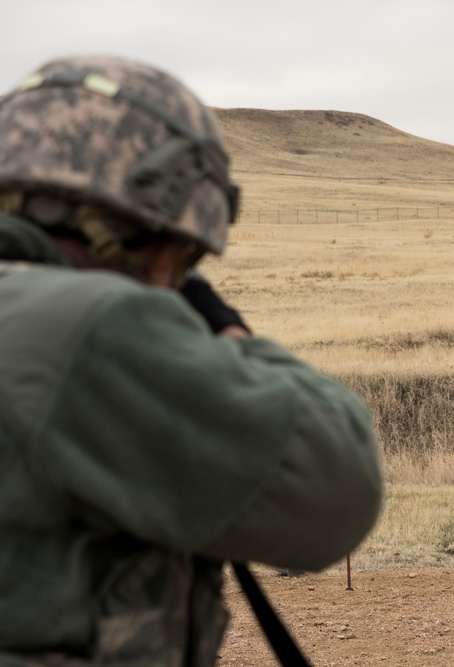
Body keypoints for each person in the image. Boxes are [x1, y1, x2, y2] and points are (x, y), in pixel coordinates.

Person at [0, 55, 383, 666]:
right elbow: (334, 490)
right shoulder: (84, 325)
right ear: (152, 238)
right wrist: (222, 326)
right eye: (183, 262)